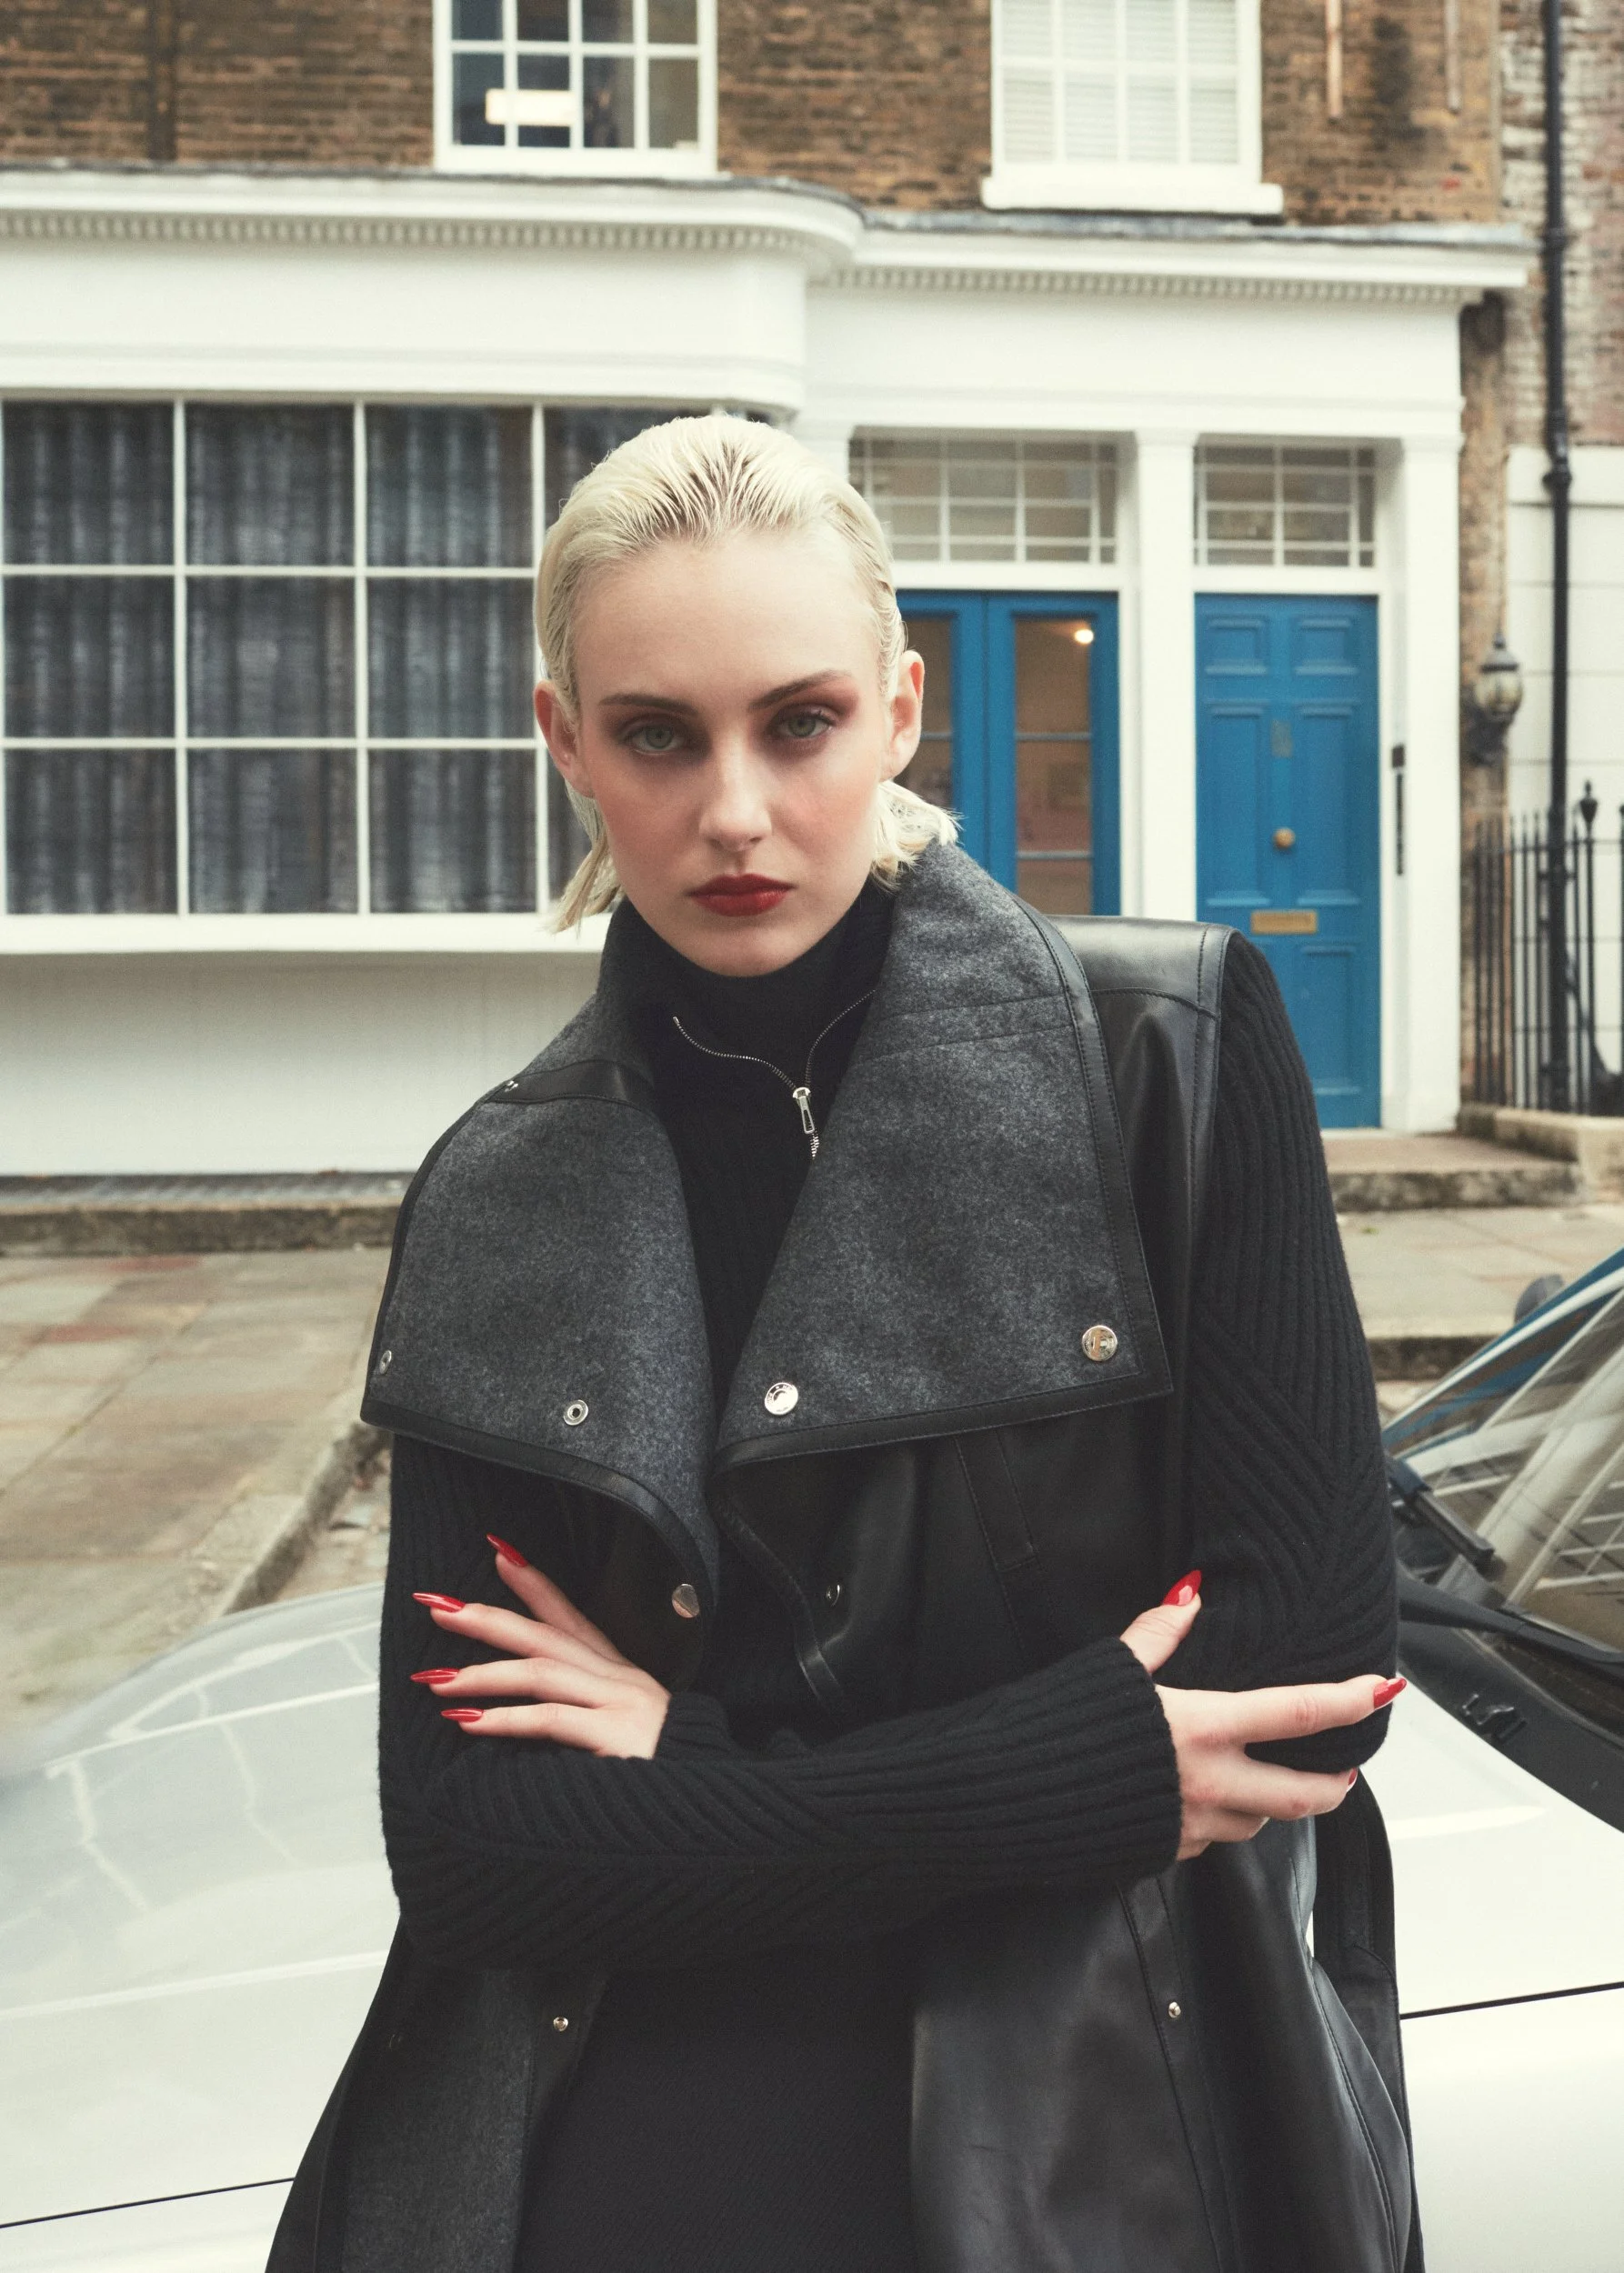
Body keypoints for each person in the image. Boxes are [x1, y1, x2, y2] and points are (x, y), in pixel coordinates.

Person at [269, 416, 1414, 2273]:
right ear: (565, 741)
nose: (733, 811)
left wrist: (690, 1753)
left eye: (794, 723)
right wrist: (1072, 1755)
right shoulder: (500, 1192)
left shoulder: (1167, 1055)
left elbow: (1300, 1672)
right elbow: (482, 1844)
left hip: (1084, 2123)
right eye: (657, 733)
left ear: (894, 714)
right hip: (611, 2145)